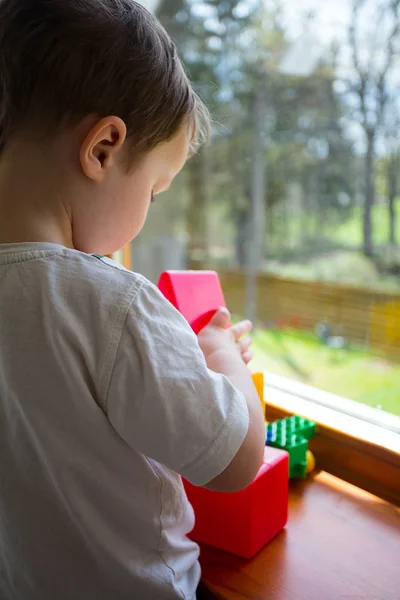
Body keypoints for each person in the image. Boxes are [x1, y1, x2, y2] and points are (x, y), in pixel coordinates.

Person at [0, 1, 265, 599]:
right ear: (103, 149)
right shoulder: (113, 304)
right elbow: (237, 460)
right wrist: (221, 353)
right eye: (154, 189)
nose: (146, 216)